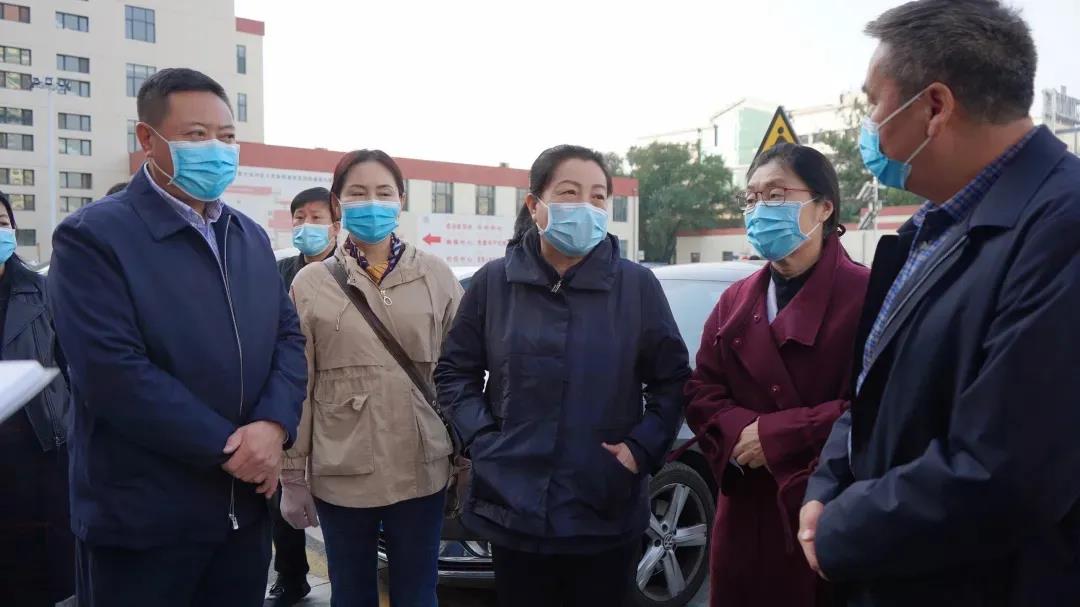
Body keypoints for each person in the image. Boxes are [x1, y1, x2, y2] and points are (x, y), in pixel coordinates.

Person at [797, 1, 1080, 605]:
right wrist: (826, 486)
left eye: (873, 102)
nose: (869, 125)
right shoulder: (933, 226)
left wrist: (842, 530)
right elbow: (874, 392)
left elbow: (1006, 472)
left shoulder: (1062, 227)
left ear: (934, 107)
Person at [47, 68, 307, 607]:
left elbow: (287, 338)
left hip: (242, 516)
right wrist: (229, 448)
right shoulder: (93, 237)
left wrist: (274, 425)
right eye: (195, 135)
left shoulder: (249, 236)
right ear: (148, 139)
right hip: (143, 522)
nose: (216, 149)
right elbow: (112, 373)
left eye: (226, 137)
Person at [435, 145, 690, 607]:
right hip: (513, 506)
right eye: (570, 193)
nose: (586, 207)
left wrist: (640, 449)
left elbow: (672, 381)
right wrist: (484, 440)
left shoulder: (637, 287)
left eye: (598, 197)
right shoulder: (494, 283)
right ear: (535, 205)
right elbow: (455, 371)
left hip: (604, 504)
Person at [683, 144, 869, 607]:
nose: (759, 208)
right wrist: (741, 434)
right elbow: (702, 391)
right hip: (744, 513)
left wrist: (777, 436)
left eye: (776, 195)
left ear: (824, 207)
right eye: (751, 198)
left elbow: (881, 406)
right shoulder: (736, 299)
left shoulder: (868, 294)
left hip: (827, 508)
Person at [279, 150, 462, 607]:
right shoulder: (310, 283)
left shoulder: (436, 276)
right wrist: (292, 476)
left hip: (422, 466)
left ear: (401, 200)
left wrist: (466, 459)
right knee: (351, 594)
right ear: (338, 203)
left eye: (384, 192)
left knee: (418, 594)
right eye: (358, 193)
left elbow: (459, 375)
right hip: (342, 467)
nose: (372, 203)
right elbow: (298, 383)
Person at [265, 186, 338, 607]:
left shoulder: (348, 271)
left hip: (337, 397)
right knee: (283, 494)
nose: (306, 225)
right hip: (289, 394)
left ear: (335, 224)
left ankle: (347, 574)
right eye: (299, 217)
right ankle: (291, 576)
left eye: (316, 217)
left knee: (339, 497)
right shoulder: (278, 272)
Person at [0, 192, 74, 606]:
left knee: (42, 572)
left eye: (1, 222)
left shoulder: (43, 292)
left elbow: (72, 368)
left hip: (40, 452)